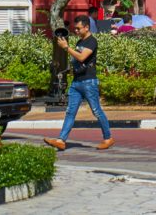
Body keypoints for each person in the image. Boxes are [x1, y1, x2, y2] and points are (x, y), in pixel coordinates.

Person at [44, 15, 114, 150]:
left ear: (87, 27)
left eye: (78, 28)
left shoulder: (92, 41)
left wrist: (66, 48)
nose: (75, 31)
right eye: (74, 29)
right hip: (76, 82)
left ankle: (108, 138)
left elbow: (82, 57)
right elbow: (76, 60)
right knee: (70, 112)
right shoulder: (79, 42)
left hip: (89, 82)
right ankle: (61, 140)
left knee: (96, 111)